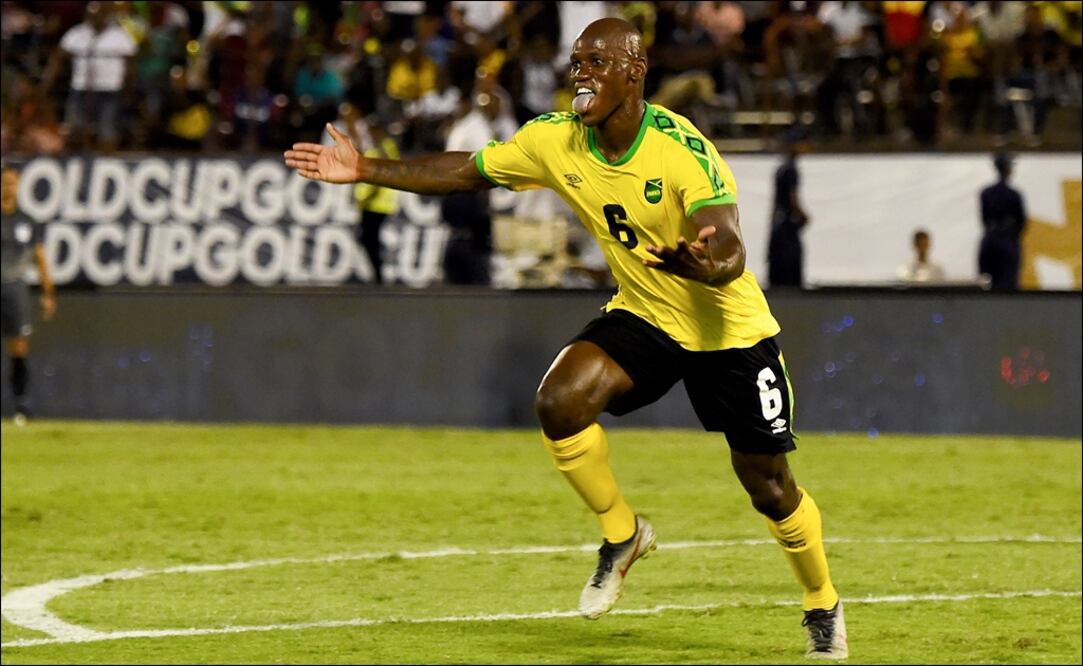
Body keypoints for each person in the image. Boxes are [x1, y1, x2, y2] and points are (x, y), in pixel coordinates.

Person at [284, 18, 847, 659]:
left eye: (599, 61)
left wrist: (704, 264)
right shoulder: (556, 140)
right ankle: (622, 534)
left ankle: (822, 604)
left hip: (728, 330)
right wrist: (364, 167)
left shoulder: (681, 150)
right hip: (647, 314)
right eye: (577, 60)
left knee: (768, 487)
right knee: (560, 402)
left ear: (635, 72)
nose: (582, 71)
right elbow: (467, 172)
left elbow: (727, 244)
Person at [1, 165, 57, 426]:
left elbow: (40, 258)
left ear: (18, 185)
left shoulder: (27, 221)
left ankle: (21, 404)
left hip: (15, 288)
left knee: (19, 347)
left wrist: (48, 293)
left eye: (11, 183)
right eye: (4, 183)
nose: (7, 187)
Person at [767, 131, 811, 288]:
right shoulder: (791, 169)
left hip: (778, 227)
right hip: (787, 228)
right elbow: (793, 198)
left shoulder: (780, 169)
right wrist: (804, 216)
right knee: (791, 272)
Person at [979, 153, 1027, 291]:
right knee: (1008, 283)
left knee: (988, 283)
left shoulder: (986, 193)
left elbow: (984, 219)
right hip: (1007, 240)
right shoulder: (1014, 194)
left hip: (990, 238)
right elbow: (1021, 221)